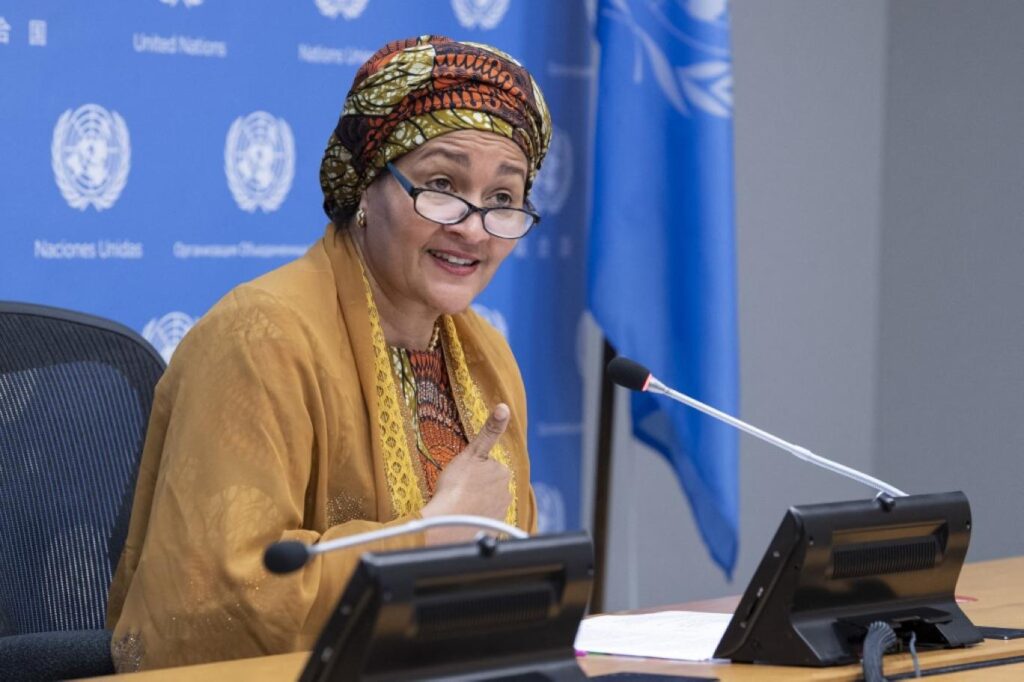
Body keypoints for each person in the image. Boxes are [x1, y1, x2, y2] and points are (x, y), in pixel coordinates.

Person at [105, 35, 551, 672]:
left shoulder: (488, 358)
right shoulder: (259, 337)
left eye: (503, 199)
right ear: (367, 185)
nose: (473, 227)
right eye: (441, 185)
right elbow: (216, 602)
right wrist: (429, 538)